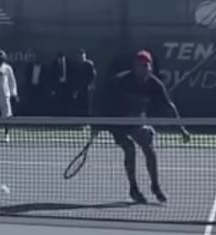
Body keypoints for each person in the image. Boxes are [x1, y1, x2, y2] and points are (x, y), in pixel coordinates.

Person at [104, 49, 190, 204]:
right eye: (139, 65)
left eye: (145, 65)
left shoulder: (154, 84)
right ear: (134, 66)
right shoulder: (121, 81)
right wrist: (98, 122)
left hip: (136, 122)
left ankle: (155, 187)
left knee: (149, 149)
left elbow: (169, 107)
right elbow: (103, 101)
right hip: (117, 122)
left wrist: (181, 129)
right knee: (129, 149)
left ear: (150, 66)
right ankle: (134, 188)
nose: (142, 68)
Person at [70, 50, 97, 117]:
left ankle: (88, 121)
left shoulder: (89, 64)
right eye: (79, 56)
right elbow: (74, 78)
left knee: (87, 105)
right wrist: (75, 90)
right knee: (79, 105)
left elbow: (93, 75)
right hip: (79, 88)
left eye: (82, 56)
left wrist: (91, 84)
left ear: (85, 56)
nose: (81, 58)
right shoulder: (76, 65)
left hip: (87, 88)